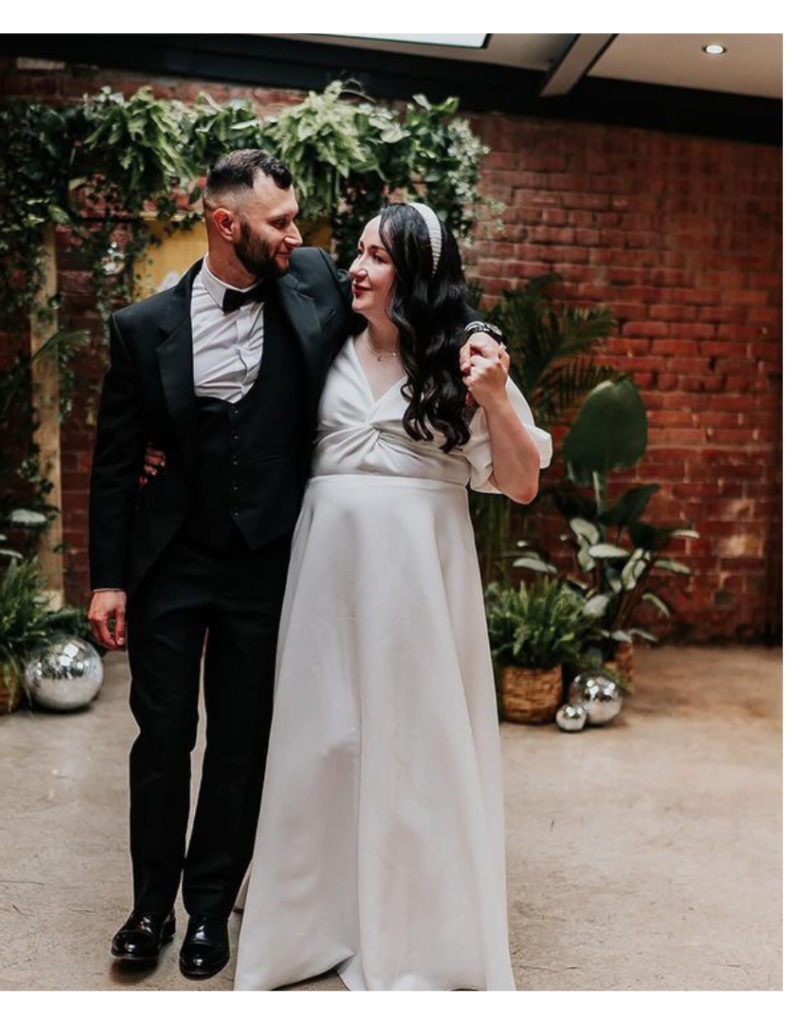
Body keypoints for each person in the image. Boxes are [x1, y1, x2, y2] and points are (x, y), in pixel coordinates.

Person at [230, 203, 552, 991]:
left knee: (417, 744)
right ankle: (309, 919)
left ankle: (421, 929)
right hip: (326, 579)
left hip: (418, 587)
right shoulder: (322, 345)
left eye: (378, 257)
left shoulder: (467, 361)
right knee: (322, 739)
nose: (358, 268)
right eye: (360, 252)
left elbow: (519, 484)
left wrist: (500, 398)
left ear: (416, 276)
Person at [86, 150, 357, 979]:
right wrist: (108, 577)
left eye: (296, 218)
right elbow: (113, 459)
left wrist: (476, 335)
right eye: (279, 220)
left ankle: (209, 910)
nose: (296, 233)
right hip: (170, 560)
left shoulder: (312, 279)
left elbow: (404, 309)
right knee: (162, 739)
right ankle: (147, 908)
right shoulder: (141, 329)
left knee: (242, 743)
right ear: (223, 222)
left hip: (266, 559)